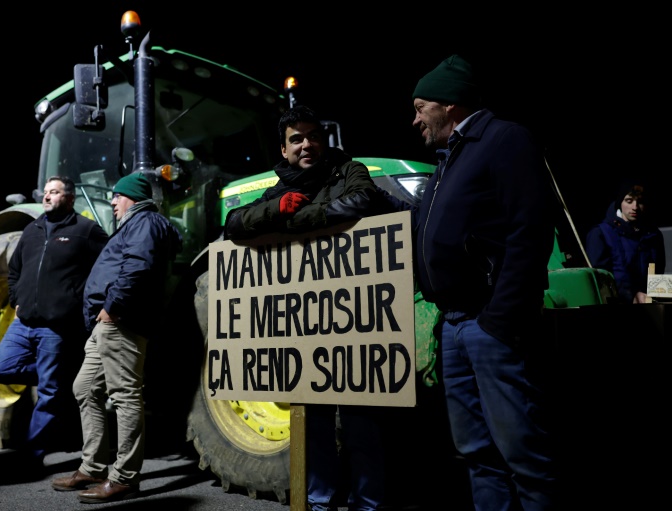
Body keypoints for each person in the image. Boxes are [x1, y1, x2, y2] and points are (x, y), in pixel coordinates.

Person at [408, 55, 558, 510]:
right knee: (475, 453)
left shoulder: (504, 141)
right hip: (453, 326)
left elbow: (529, 231)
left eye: (420, 108)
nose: (414, 119)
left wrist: (498, 320)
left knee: (522, 452)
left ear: (449, 104)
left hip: (487, 323)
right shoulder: (447, 161)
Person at [223, 105, 386, 511]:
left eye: (313, 136)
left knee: (360, 418)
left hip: (351, 315)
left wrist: (303, 218)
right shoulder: (277, 190)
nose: (306, 144)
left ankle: (368, 503)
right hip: (307, 324)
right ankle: (319, 501)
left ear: (324, 140)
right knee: (312, 420)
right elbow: (234, 224)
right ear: (284, 148)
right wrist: (275, 210)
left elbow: (363, 201)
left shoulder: (348, 171)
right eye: (296, 139)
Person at [51, 172, 182, 503]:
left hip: (121, 319)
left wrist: (111, 308)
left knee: (125, 396)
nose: (112, 202)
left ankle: (124, 477)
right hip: (107, 323)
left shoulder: (147, 223)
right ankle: (93, 466)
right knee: (84, 388)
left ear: (133, 199)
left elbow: (138, 268)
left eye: (117, 196)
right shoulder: (137, 225)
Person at [0, 175, 108, 470]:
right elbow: (13, 270)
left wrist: (80, 302)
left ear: (69, 198)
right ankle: (58, 377)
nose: (46, 196)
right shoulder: (32, 229)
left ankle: (32, 455)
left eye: (54, 192)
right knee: (0, 368)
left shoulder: (86, 230)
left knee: (49, 394)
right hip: (24, 322)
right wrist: (16, 299)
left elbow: (106, 267)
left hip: (55, 327)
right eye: (46, 191)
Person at [585, 179, 666, 304]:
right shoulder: (600, 233)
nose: (635, 207)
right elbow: (600, 279)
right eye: (629, 201)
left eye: (640, 202)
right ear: (620, 202)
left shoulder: (654, 235)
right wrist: (630, 296)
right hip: (617, 307)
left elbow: (658, 273)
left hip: (650, 306)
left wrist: (658, 295)